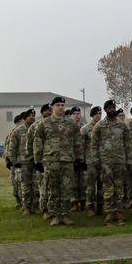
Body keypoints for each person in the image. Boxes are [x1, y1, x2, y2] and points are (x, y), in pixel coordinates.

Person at [32, 97, 85, 226]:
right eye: (58, 105)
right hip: (50, 161)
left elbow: (77, 142)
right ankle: (55, 215)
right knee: (52, 188)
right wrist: (37, 160)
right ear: (52, 107)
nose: (60, 107)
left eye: (62, 105)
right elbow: (38, 141)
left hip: (67, 160)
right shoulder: (43, 124)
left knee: (66, 188)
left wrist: (79, 159)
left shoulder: (71, 124)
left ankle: (65, 215)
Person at [90, 99, 131, 224]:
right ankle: (109, 212)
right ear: (106, 110)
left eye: (113, 107)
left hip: (120, 161)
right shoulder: (99, 126)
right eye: (109, 108)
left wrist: (128, 160)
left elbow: (127, 144)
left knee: (119, 188)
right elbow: (94, 145)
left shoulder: (122, 125)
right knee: (108, 188)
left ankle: (118, 212)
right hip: (105, 163)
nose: (112, 109)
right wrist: (96, 160)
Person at [9, 109, 39, 214]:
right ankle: (26, 206)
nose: (32, 117)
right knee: (25, 185)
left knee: (36, 185)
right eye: (29, 116)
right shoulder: (18, 131)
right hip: (23, 162)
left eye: (33, 115)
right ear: (25, 118)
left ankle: (35, 206)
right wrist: (13, 161)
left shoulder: (37, 129)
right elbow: (12, 147)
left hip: (35, 161)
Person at [28, 103, 54, 219]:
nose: (48, 112)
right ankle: (45, 210)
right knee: (43, 187)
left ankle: (55, 209)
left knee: (54, 187)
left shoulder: (56, 125)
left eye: (50, 110)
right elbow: (29, 144)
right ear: (42, 113)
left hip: (53, 161)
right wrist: (33, 160)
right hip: (41, 162)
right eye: (46, 110)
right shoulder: (35, 126)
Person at [81, 106, 104, 217]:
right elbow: (81, 146)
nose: (98, 116)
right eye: (96, 114)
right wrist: (83, 161)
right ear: (92, 115)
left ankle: (100, 207)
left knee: (101, 186)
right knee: (90, 186)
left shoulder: (104, 127)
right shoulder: (85, 129)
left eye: (100, 113)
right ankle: (91, 207)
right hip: (90, 162)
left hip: (103, 160)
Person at [4, 112, 24, 207]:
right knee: (16, 181)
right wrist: (9, 161)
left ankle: (24, 200)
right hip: (14, 161)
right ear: (18, 121)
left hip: (23, 160)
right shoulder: (14, 132)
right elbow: (8, 147)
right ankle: (18, 200)